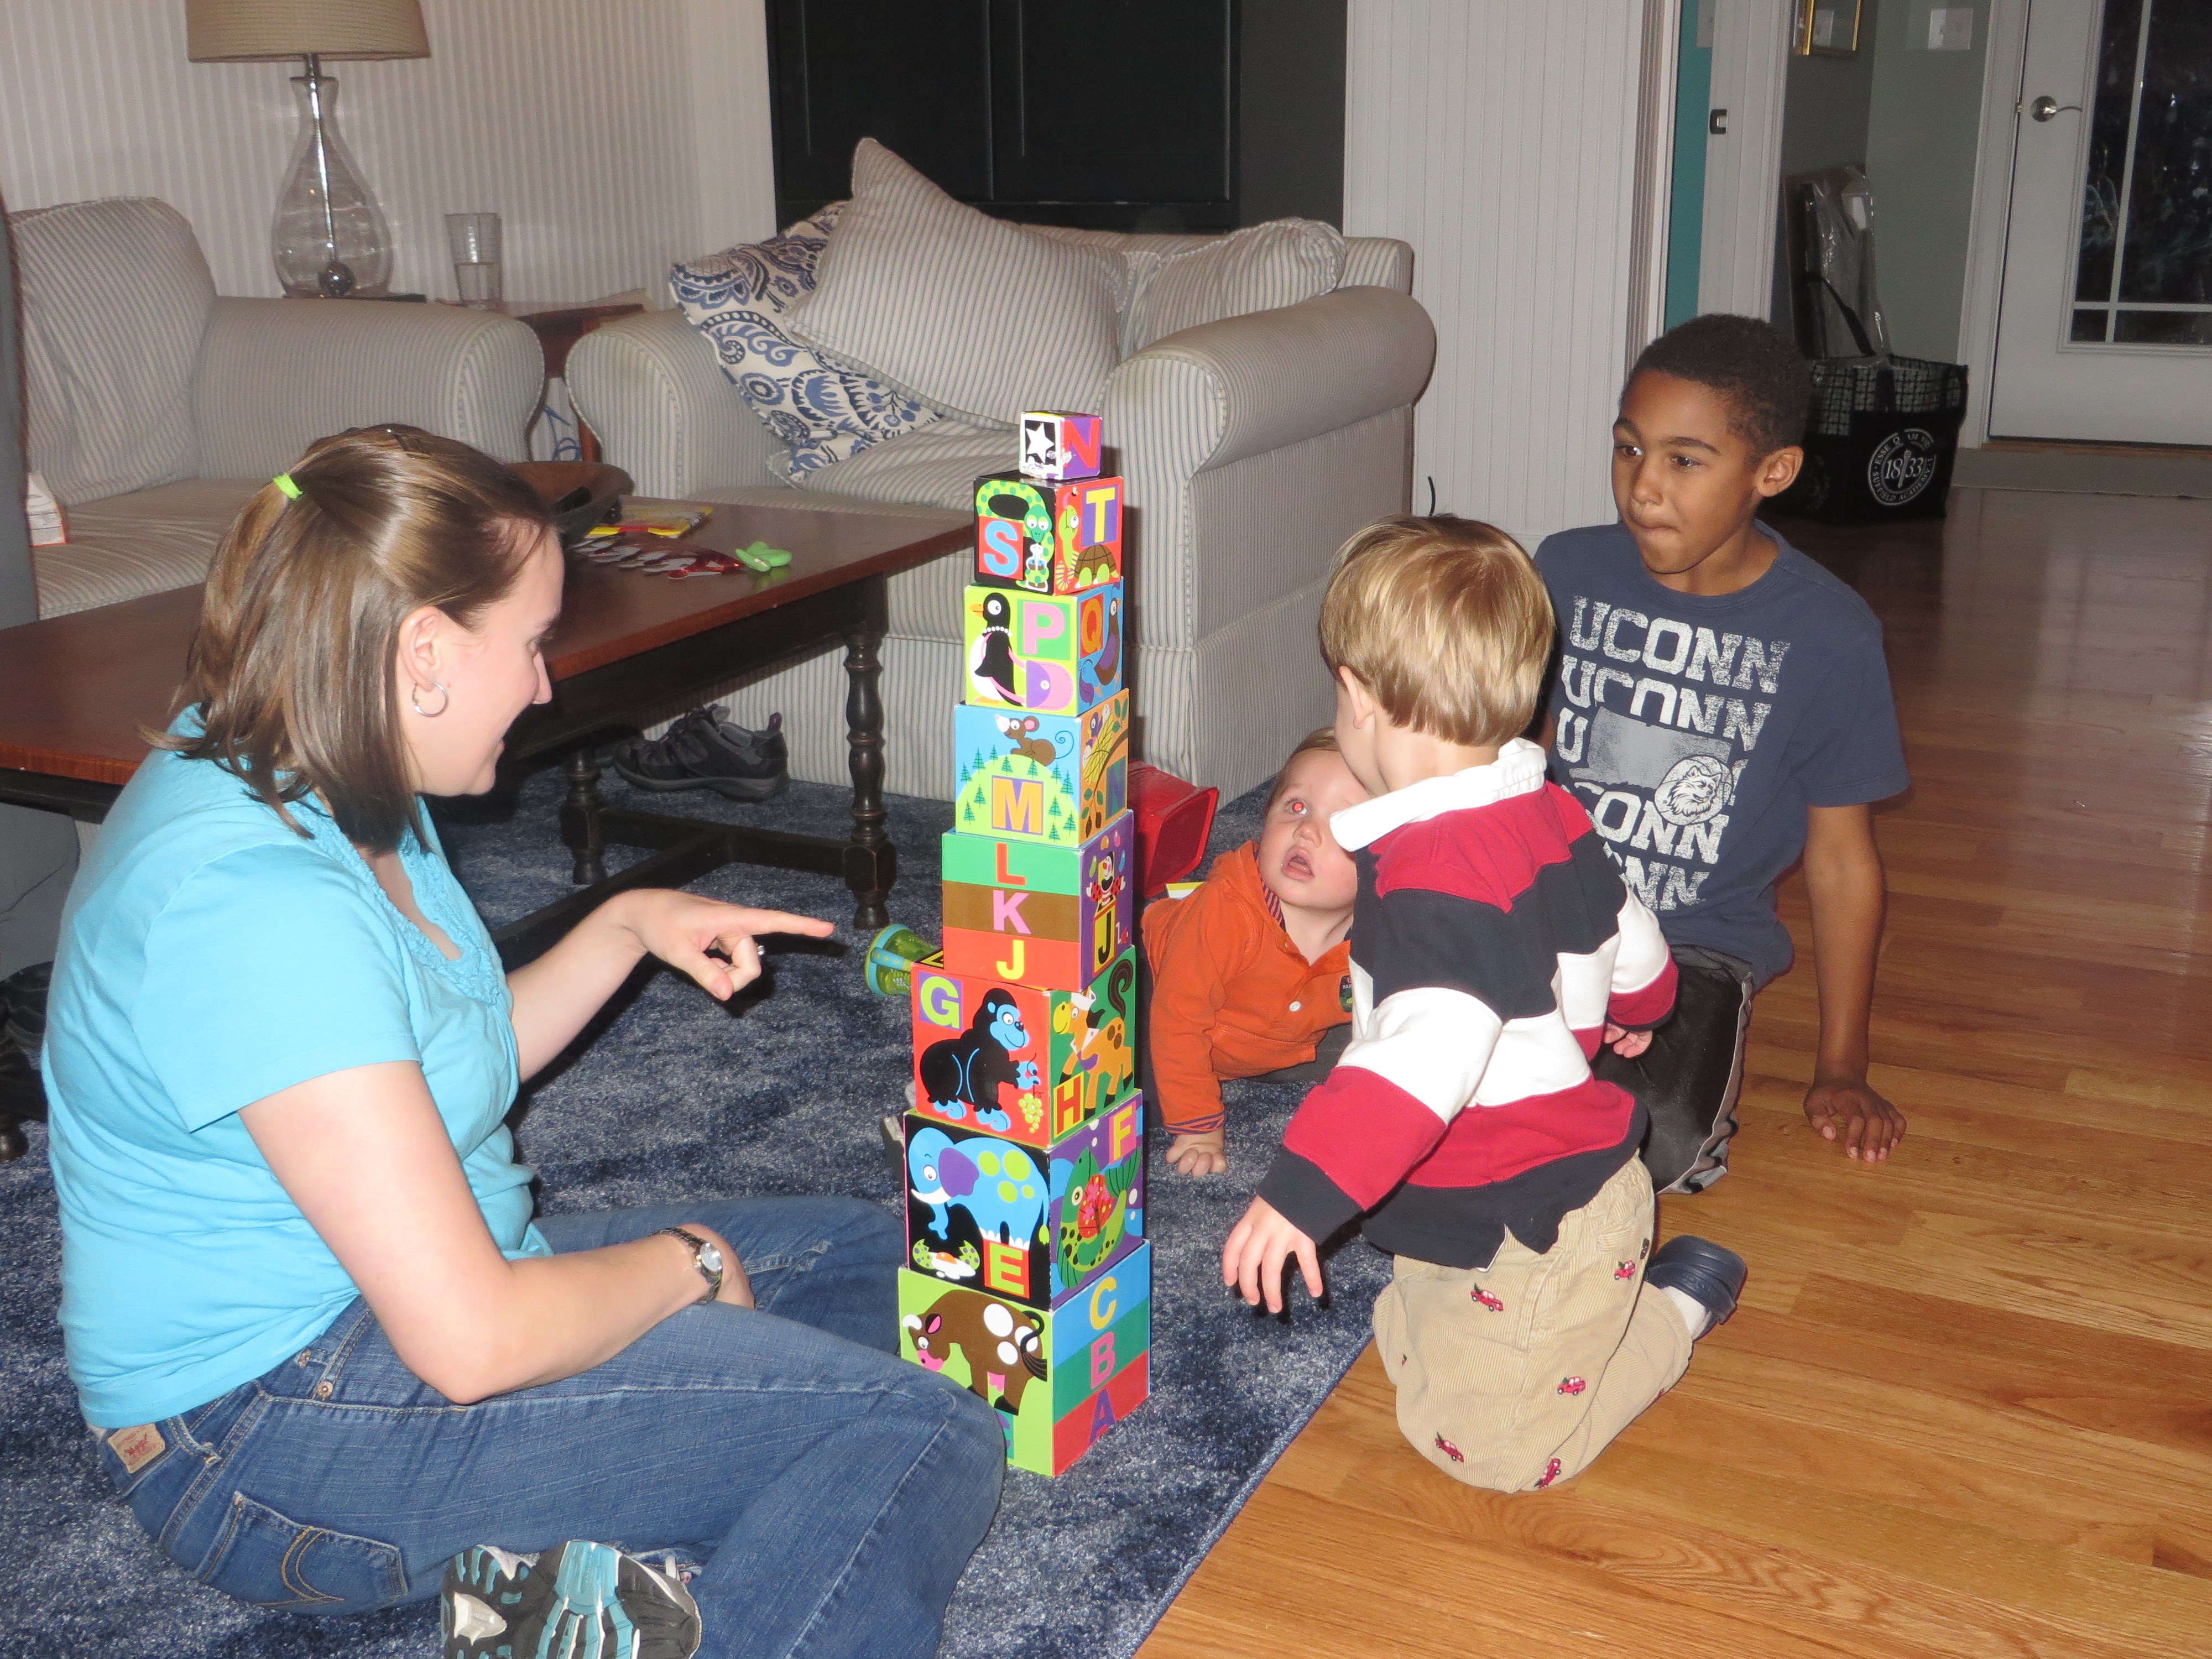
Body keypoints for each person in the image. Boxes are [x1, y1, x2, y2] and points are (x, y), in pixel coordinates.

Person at [42, 426, 1003, 1659]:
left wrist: (622, 925)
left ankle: (648, 1560)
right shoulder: (255, 905)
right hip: (266, 1434)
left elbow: (450, 1055)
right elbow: (473, 1341)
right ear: (424, 653)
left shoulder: (340, 764)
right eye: (533, 643)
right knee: (916, 1431)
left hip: (403, 1306)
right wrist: (686, 1265)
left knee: (865, 1259)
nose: (546, 687)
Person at [1221, 516, 1748, 1492]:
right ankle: (1544, 1335)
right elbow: (1629, 928)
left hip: (1542, 1218)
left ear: (1358, 697)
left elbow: (1423, 1059)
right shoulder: (1548, 805)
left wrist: (1301, 1193)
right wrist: (1643, 1002)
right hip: (1475, 1189)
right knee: (1419, 1344)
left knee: (1499, 1456)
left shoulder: (1433, 885)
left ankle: (1672, 1309)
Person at [1536, 313, 1913, 1192]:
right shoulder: (1565, 570)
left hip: (1692, 945)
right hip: (1543, 913)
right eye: (1629, 449)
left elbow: (1842, 859)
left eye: (1685, 460)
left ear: (1771, 473)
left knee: (1650, 1149)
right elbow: (1513, 751)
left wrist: (1843, 1065)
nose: (1643, 488)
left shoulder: (1829, 633)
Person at [1142, 729, 1368, 1176]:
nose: (1307, 829)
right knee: (1110, 1084)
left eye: (1342, 821)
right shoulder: (1226, 911)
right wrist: (1198, 1127)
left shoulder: (1381, 934)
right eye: (1296, 807)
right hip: (1154, 1003)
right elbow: (1177, 1019)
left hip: (1277, 1032)